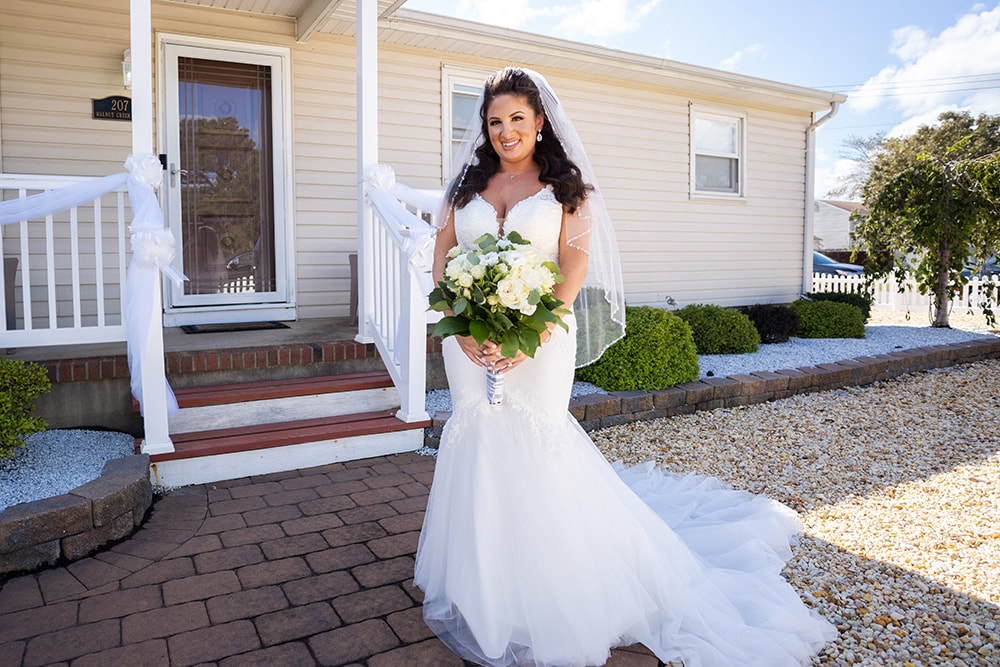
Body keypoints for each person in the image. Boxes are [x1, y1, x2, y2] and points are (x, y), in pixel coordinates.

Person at [414, 67, 836, 667]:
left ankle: (548, 586)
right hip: (472, 343)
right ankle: (483, 584)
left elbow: (573, 268)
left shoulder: (567, 189)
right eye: (494, 121)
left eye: (516, 119)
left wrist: (526, 340)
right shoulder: (465, 186)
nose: (506, 131)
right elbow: (441, 260)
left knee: (536, 443)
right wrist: (460, 335)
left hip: (538, 341)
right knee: (477, 440)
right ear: (483, 127)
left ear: (539, 121)